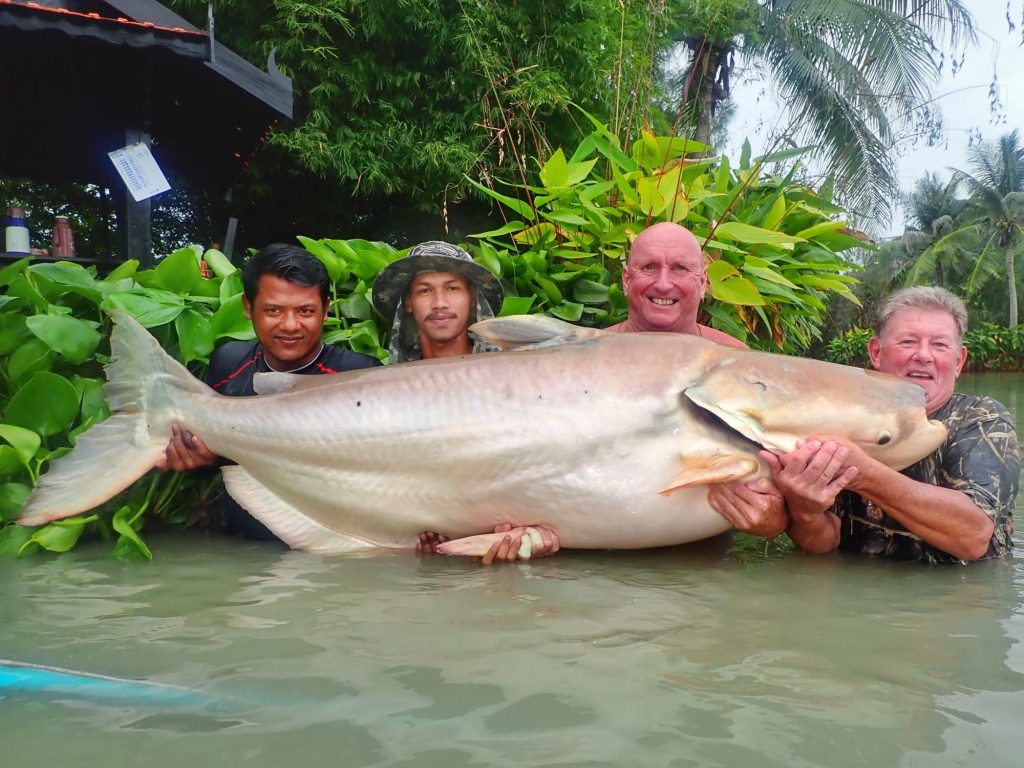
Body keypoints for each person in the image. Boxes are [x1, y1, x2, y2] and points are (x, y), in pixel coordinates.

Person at [770, 286, 1019, 563]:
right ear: (876, 353)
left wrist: (861, 473)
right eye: (908, 342)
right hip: (857, 595)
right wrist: (806, 512)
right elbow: (823, 544)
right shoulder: (841, 416)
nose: (924, 355)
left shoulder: (980, 417)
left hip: (960, 597)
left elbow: (973, 537)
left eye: (939, 345)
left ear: (958, 361)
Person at [156, 243, 381, 539]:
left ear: (325, 310)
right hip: (243, 550)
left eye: (305, 311)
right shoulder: (229, 362)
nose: (290, 325)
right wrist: (199, 459)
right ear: (248, 308)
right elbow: (219, 461)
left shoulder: (358, 375)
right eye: (274, 310)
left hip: (331, 546)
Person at [608, 221, 786, 540]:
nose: (663, 284)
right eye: (649, 267)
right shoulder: (588, 356)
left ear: (703, 283)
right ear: (626, 279)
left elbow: (772, 475)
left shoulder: (734, 360)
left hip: (703, 559)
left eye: (679, 269)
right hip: (596, 541)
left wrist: (772, 519)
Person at [371, 240, 505, 363]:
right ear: (408, 302)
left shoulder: (507, 372)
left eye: (452, 289)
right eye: (424, 291)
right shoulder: (394, 382)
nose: (439, 303)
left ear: (472, 298)